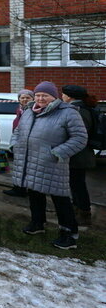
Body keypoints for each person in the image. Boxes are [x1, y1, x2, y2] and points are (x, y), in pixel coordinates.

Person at [11, 81, 87, 249]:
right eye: (37, 95)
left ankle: (68, 234)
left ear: (54, 97)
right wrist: (14, 145)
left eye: (45, 95)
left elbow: (80, 138)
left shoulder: (67, 112)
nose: (40, 99)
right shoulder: (29, 111)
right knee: (34, 193)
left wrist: (57, 152)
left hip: (52, 163)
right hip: (30, 162)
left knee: (60, 198)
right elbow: (18, 131)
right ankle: (37, 223)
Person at [61, 85, 97, 229]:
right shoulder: (81, 109)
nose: (62, 96)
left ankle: (84, 214)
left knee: (78, 185)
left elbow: (79, 134)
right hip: (78, 153)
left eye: (63, 94)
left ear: (69, 97)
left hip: (79, 155)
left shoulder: (79, 111)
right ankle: (77, 208)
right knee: (75, 183)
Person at [4, 89, 34, 197]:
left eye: (28, 97)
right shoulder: (20, 110)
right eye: (22, 97)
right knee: (18, 167)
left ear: (32, 99)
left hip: (26, 143)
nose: (25, 99)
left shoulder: (32, 111)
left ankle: (22, 189)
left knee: (25, 167)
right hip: (19, 142)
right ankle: (18, 188)